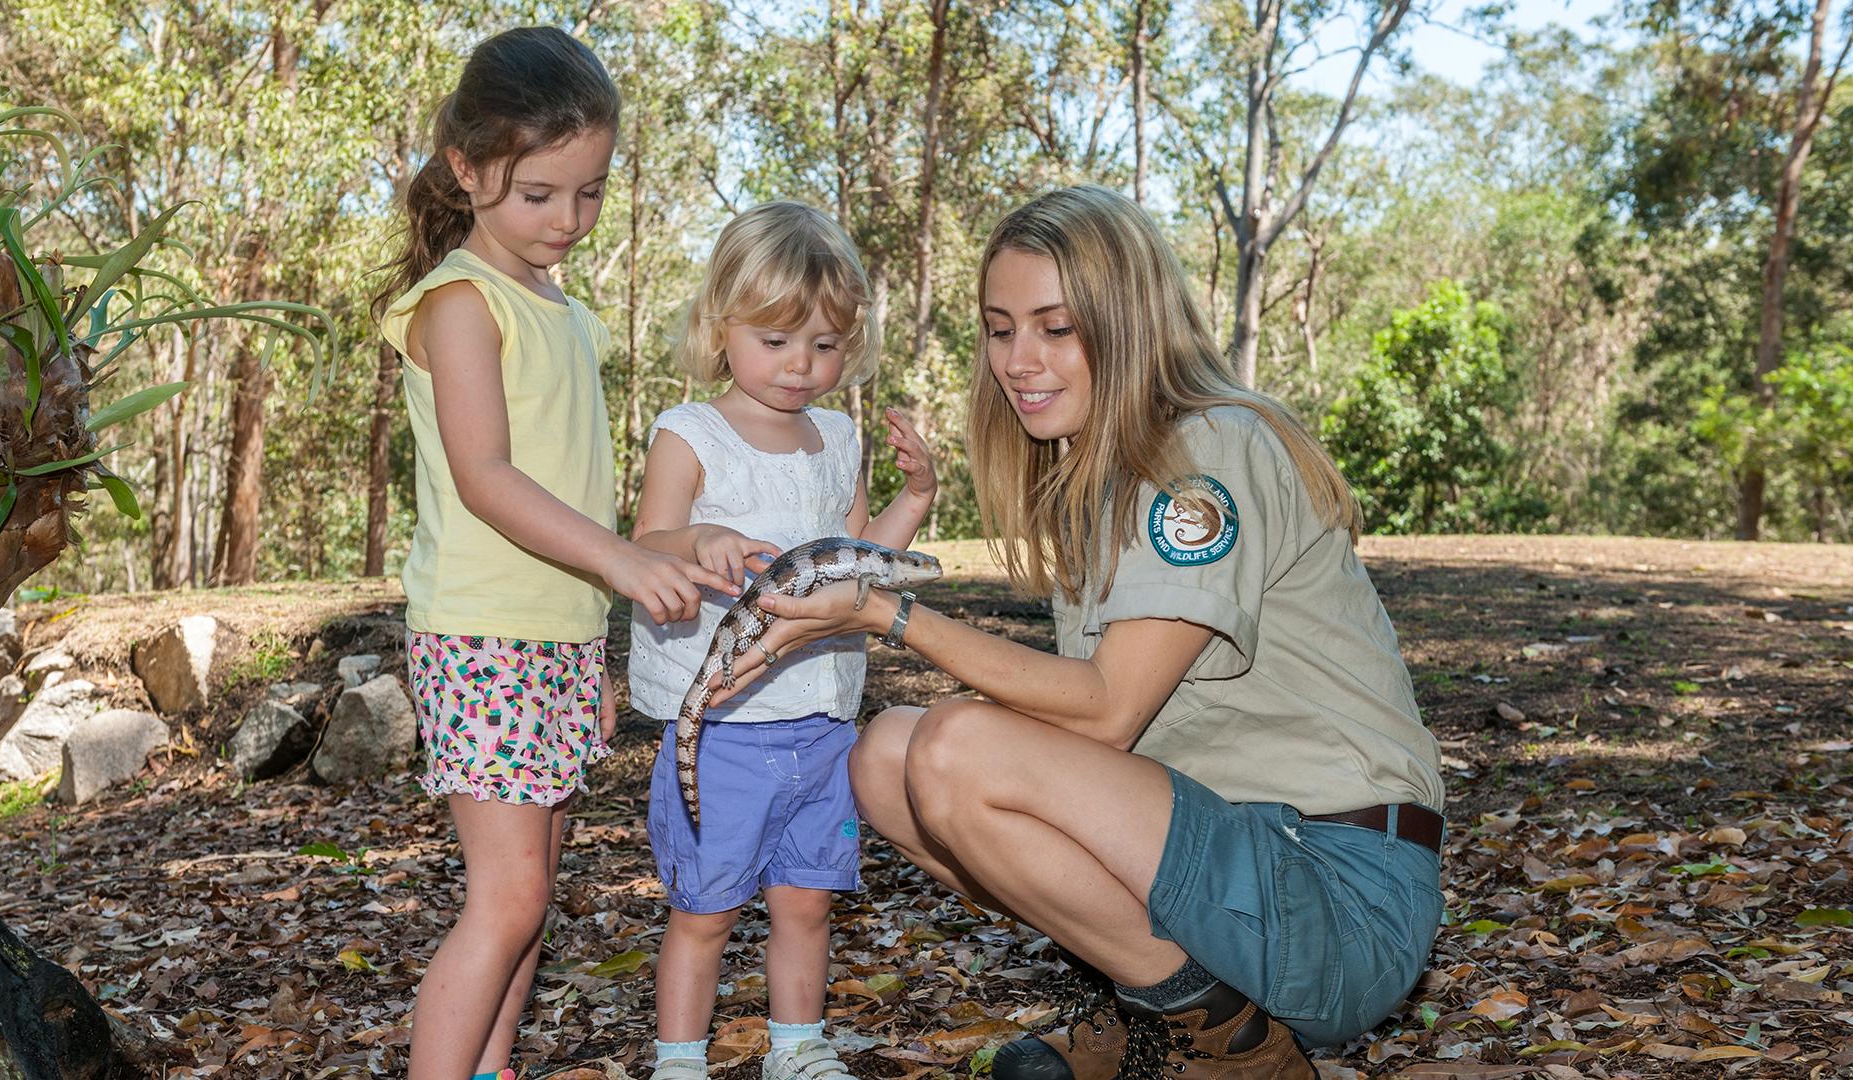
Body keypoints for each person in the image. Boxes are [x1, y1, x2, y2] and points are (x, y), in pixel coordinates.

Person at [711, 185, 1445, 1079]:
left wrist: (885, 610)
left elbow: (1104, 715)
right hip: (1231, 864)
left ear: (1128, 323)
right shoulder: (1098, 481)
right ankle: (1157, 1002)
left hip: (1335, 892)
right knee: (885, 756)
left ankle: (1228, 1043)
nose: (1019, 360)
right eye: (1000, 328)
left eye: (1057, 329)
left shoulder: (1207, 451)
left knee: (950, 746)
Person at [372, 27, 733, 1080]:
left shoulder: (561, 309)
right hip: (479, 633)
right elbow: (486, 477)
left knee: (534, 895)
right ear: (468, 168)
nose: (568, 220)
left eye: (589, 192)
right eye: (540, 193)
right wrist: (623, 564)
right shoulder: (458, 303)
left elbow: (572, 495)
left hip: (553, 639)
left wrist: (605, 632)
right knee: (510, 895)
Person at [628, 202, 938, 1080]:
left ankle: (797, 1050)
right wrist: (698, 542)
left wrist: (914, 498)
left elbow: (862, 565)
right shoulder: (692, 433)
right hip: (722, 724)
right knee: (706, 907)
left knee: (806, 902)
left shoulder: (836, 436)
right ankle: (680, 1060)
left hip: (822, 721)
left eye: (827, 346)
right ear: (720, 327)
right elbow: (646, 542)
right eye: (776, 341)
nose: (803, 365)